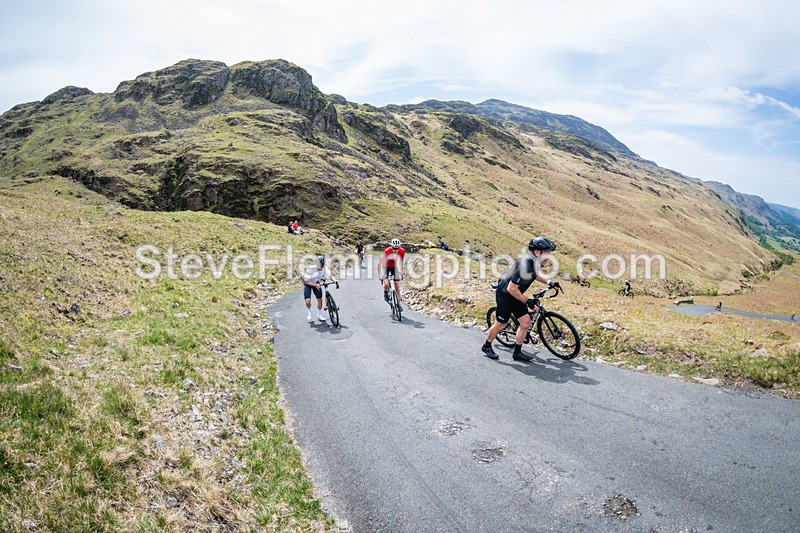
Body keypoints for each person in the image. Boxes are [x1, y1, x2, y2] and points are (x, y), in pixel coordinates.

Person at [482, 236, 560, 361]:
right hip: (506, 295)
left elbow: (534, 275)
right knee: (501, 324)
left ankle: (517, 352)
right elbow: (511, 288)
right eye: (546, 252)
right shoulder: (526, 264)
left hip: (516, 294)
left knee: (525, 323)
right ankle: (486, 346)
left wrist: (549, 282)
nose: (548, 256)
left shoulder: (535, 262)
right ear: (537, 252)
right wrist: (527, 301)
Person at [303, 255, 338, 322]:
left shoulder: (324, 268)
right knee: (308, 301)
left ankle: (319, 315)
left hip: (317, 283)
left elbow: (330, 276)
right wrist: (315, 285)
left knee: (319, 300)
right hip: (308, 284)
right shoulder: (310, 269)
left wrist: (334, 280)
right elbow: (306, 281)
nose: (321, 269)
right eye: (319, 268)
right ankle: (310, 311)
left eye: (322, 267)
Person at [379, 238, 405, 310]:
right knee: (387, 284)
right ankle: (385, 292)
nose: (395, 250)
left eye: (397, 249)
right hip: (385, 266)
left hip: (394, 266)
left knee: (397, 284)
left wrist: (401, 272)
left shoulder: (402, 251)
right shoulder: (387, 251)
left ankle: (398, 302)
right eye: (394, 248)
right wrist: (380, 274)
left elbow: (400, 262)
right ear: (391, 247)